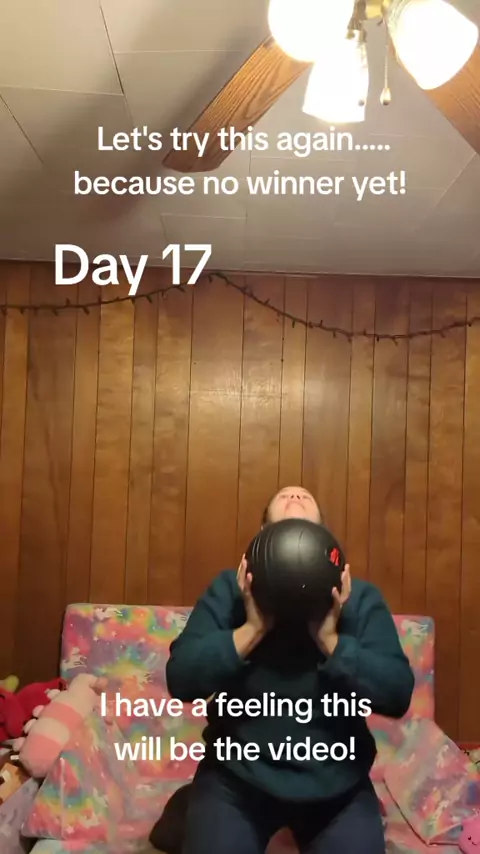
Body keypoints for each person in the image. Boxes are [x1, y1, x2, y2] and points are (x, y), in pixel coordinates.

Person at [166, 486, 414, 854]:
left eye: (305, 498)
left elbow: (397, 692)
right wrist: (253, 629)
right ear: (261, 537)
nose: (295, 496)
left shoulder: (360, 599)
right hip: (237, 777)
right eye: (283, 498)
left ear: (326, 540)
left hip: (337, 784)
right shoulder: (228, 591)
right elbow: (181, 677)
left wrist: (330, 640)